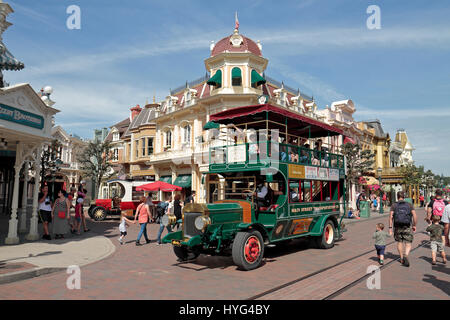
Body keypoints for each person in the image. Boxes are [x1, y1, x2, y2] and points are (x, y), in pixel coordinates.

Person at [389, 191, 417, 267]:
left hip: (397, 226)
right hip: (407, 226)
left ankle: (401, 258)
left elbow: (391, 217)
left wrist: (390, 228)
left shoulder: (394, 205)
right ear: (404, 196)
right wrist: (414, 225)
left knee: (399, 242)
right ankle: (406, 254)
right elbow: (414, 215)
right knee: (408, 243)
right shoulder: (409, 205)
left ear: (397, 196)